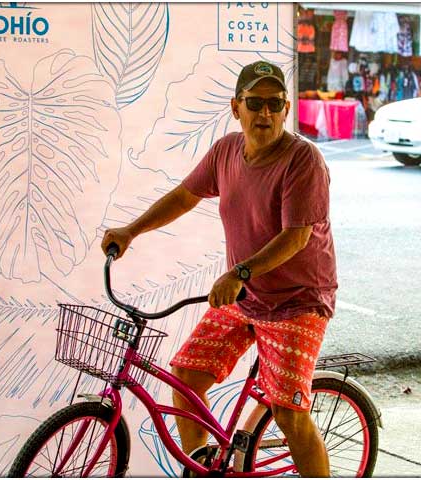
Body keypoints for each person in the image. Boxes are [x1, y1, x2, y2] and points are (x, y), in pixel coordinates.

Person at [101, 60, 337, 477]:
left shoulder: (303, 160)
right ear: (236, 107)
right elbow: (184, 196)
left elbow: (296, 236)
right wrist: (132, 230)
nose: (264, 113)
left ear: (286, 110)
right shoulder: (227, 150)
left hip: (297, 301)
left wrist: (239, 273)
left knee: (288, 413)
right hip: (246, 295)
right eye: (255, 103)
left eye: (275, 104)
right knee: (186, 377)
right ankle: (203, 468)